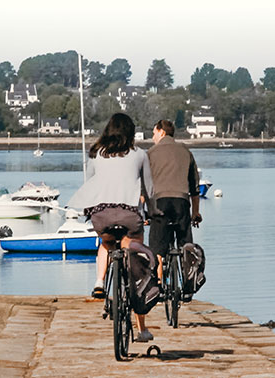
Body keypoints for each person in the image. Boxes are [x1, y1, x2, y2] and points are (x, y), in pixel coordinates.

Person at [66, 112, 157, 342]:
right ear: (130, 132)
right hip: (129, 215)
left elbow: (90, 184)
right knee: (134, 255)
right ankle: (142, 329)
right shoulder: (140, 154)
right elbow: (149, 189)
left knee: (106, 242)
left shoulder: (97, 153)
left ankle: (99, 282)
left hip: (102, 215)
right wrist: (152, 212)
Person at [146, 120, 201, 286]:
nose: (153, 136)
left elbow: (145, 186)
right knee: (185, 244)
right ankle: (188, 281)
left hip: (160, 202)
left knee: (157, 248)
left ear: (161, 132)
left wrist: (145, 211)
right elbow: (194, 187)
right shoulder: (185, 151)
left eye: (154, 132)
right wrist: (195, 213)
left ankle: (158, 283)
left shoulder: (150, 153)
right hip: (181, 203)